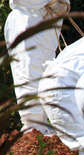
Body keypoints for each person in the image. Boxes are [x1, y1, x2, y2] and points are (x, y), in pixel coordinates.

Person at [4, 0, 70, 135]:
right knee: (28, 73)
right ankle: (33, 126)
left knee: (46, 74)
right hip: (27, 21)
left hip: (45, 24)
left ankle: (42, 124)